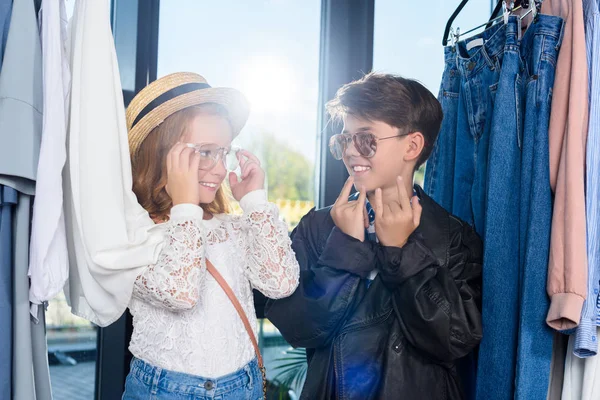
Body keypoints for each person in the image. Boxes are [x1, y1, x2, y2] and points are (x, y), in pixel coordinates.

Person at [264, 73, 483, 399]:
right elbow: (298, 328)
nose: (351, 151)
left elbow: (455, 341)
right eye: (343, 140)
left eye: (365, 139)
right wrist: (346, 250)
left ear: (412, 145)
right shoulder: (318, 228)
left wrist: (402, 252)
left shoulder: (454, 237)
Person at [121, 72, 300, 400]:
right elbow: (181, 293)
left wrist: (254, 201)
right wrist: (185, 206)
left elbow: (281, 282)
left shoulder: (228, 226)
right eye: (204, 152)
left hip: (243, 384)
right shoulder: (133, 232)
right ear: (160, 152)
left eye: (223, 152)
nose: (220, 170)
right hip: (165, 391)